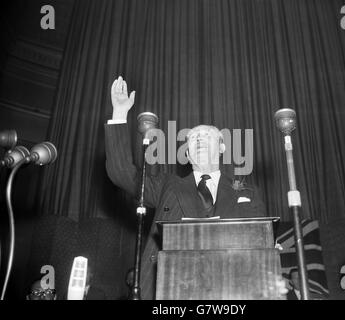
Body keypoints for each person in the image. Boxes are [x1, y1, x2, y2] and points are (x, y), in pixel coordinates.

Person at [104, 76, 270, 300]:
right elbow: (121, 172)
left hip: (231, 289)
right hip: (168, 287)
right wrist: (120, 114)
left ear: (221, 147)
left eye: (206, 135)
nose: (199, 139)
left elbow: (262, 241)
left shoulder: (247, 192)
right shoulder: (167, 185)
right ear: (188, 154)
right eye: (193, 139)